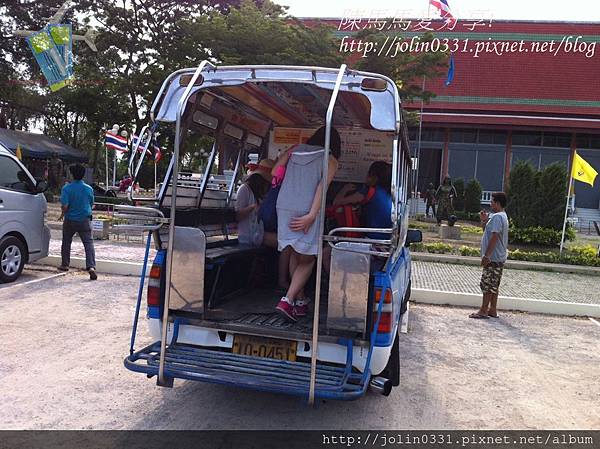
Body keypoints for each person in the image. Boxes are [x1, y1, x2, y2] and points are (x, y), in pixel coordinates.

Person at [274, 126, 341, 322]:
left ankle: (300, 301)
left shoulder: (296, 150)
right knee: (309, 258)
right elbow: (322, 186)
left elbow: (274, 171)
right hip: (306, 208)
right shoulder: (330, 159)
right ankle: (287, 300)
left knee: (296, 251)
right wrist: (312, 215)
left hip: (284, 205)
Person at [469, 192, 509, 319]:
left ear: (497, 203)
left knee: (487, 283)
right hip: (499, 256)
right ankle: (493, 309)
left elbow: (494, 236)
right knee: (494, 284)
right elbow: (488, 232)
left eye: (492, 202)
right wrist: (484, 221)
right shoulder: (501, 216)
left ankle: (483, 310)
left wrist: (487, 256)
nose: (490, 204)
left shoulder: (497, 217)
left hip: (494, 257)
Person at [58, 164, 97, 280]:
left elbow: (65, 206)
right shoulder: (88, 189)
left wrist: (62, 215)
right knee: (88, 243)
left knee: (66, 241)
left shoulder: (67, 188)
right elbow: (91, 203)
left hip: (70, 219)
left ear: (72, 174)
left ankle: (65, 264)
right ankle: (91, 267)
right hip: (84, 219)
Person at [235, 159, 273, 247]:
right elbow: (238, 215)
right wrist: (253, 207)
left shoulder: (261, 193)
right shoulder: (244, 189)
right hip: (246, 236)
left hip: (257, 233)